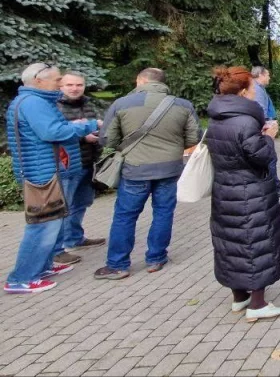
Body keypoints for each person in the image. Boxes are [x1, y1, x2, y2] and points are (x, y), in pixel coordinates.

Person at [94, 68, 201, 280]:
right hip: (170, 169)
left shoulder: (121, 104)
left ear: (140, 80)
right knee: (163, 213)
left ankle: (117, 264)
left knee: (125, 216)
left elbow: (107, 139)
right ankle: (156, 258)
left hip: (135, 169)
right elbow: (193, 137)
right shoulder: (182, 105)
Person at [5, 64, 99, 294]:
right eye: (57, 80)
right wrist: (89, 125)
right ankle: (22, 278)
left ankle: (43, 267)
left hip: (47, 170)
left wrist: (71, 125)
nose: (60, 84)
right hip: (42, 174)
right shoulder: (33, 103)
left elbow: (52, 128)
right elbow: (52, 132)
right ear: (39, 80)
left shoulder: (36, 101)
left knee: (52, 223)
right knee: (42, 226)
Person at [206, 67, 280, 322]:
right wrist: (270, 138)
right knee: (256, 243)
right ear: (243, 92)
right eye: (252, 88)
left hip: (224, 190)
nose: (255, 92)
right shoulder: (245, 120)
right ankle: (258, 304)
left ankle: (239, 297)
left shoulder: (217, 117)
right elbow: (259, 155)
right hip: (250, 192)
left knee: (231, 242)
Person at [55, 72, 106, 259]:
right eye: (70, 85)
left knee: (81, 203)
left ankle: (74, 238)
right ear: (61, 86)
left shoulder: (87, 104)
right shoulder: (54, 107)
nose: (75, 88)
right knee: (63, 207)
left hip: (88, 162)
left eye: (79, 85)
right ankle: (57, 250)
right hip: (66, 166)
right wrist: (83, 136)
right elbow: (54, 134)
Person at [251, 67, 280, 199]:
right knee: (270, 158)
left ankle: (268, 186)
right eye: (268, 75)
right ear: (261, 75)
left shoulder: (258, 88)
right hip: (264, 131)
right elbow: (261, 112)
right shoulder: (257, 90)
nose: (269, 78)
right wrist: (268, 128)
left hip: (262, 129)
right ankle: (274, 187)